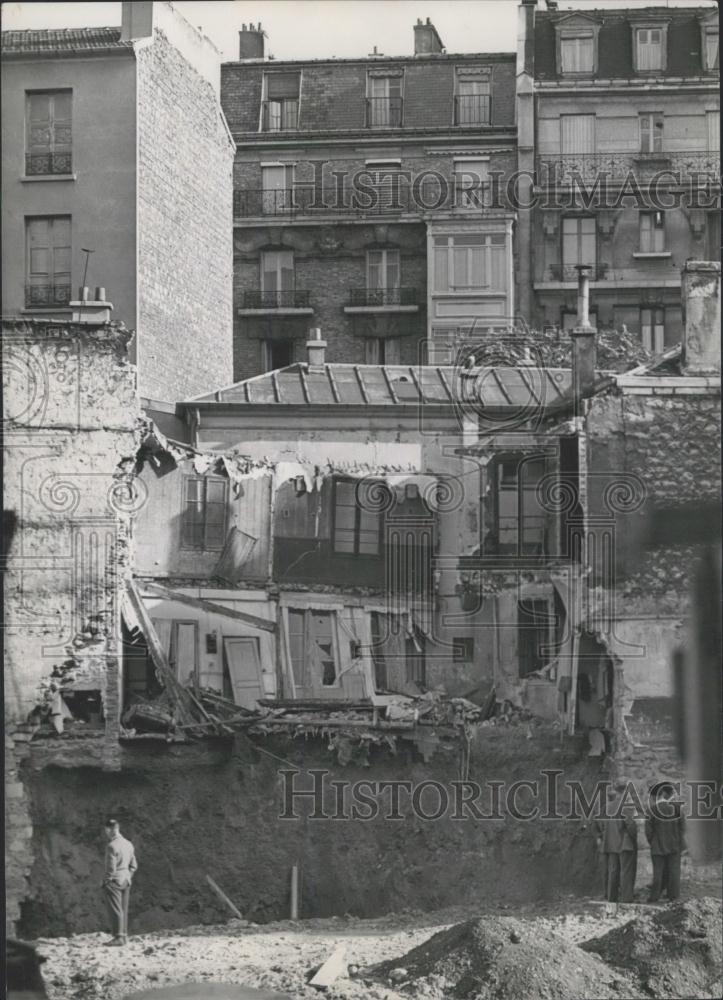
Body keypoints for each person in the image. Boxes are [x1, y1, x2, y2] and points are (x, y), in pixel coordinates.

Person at [646, 782, 686, 902]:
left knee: (658, 872)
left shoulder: (651, 810)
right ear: (669, 795)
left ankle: (654, 897)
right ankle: (673, 896)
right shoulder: (678, 809)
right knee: (674, 871)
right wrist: (678, 841)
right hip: (674, 846)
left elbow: (648, 831)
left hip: (657, 846)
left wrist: (653, 842)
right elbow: (683, 828)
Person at [102, 818, 137, 946]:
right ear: (118, 828)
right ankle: (124, 935)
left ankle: (118, 937)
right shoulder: (128, 844)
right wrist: (128, 876)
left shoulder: (111, 846)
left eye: (106, 830)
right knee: (123, 909)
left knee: (116, 910)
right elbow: (134, 865)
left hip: (115, 880)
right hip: (126, 880)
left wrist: (106, 881)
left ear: (109, 829)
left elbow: (111, 868)